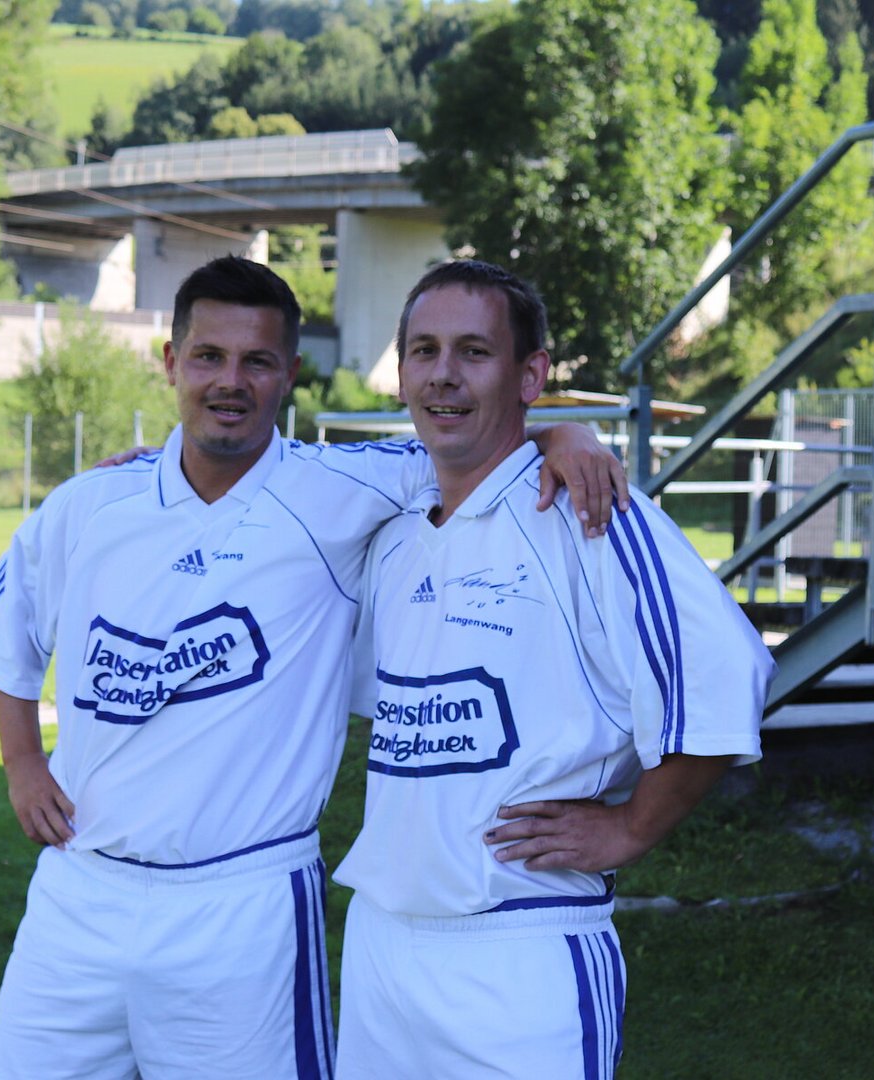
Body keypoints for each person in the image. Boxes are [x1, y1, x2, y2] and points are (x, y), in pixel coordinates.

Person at [0, 255, 627, 1080]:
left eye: (257, 361)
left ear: (290, 375)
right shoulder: (91, 505)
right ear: (170, 362)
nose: (229, 381)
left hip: (245, 904)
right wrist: (22, 762)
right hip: (78, 892)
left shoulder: (341, 488)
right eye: (208, 356)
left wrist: (564, 434)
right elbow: (9, 631)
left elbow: (474, 438)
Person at [332, 260, 774, 1079]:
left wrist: (630, 827)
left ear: (530, 375)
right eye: (424, 350)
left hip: (519, 953)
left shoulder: (588, 511)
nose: (443, 374)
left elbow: (723, 672)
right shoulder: (390, 531)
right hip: (381, 951)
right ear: (401, 373)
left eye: (474, 351)